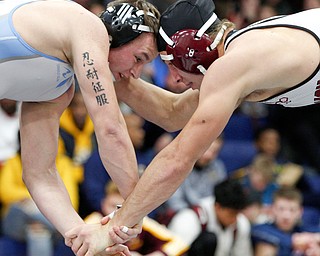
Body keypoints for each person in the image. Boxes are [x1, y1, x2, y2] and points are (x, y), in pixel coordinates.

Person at [66, 0, 320, 253]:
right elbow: (173, 113)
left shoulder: (234, 65)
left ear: (192, 50)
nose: (173, 79)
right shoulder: (237, 59)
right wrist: (108, 71)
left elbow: (179, 158)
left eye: (172, 63)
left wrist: (116, 226)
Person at [0, 0, 160, 254]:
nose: (136, 73)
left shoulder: (57, 88)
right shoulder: (89, 26)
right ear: (118, 33)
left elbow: (40, 175)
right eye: (139, 58)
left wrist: (83, 237)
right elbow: (110, 129)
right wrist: (134, 209)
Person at [86, 181, 189, 256]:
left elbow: (179, 243)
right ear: (103, 203)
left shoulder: (139, 221)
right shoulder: (92, 223)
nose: (114, 213)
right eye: (112, 206)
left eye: (121, 208)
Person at [168, 179, 253, 256]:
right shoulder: (189, 219)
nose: (235, 219)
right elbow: (171, 252)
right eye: (232, 214)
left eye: (238, 214)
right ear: (217, 206)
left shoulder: (241, 224)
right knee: (209, 239)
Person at [251, 187, 320, 256]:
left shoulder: (302, 230)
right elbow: (256, 231)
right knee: (266, 246)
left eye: (292, 210)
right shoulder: (262, 229)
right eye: (281, 209)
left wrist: (313, 238)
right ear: (272, 209)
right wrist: (293, 241)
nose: (286, 216)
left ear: (300, 211)